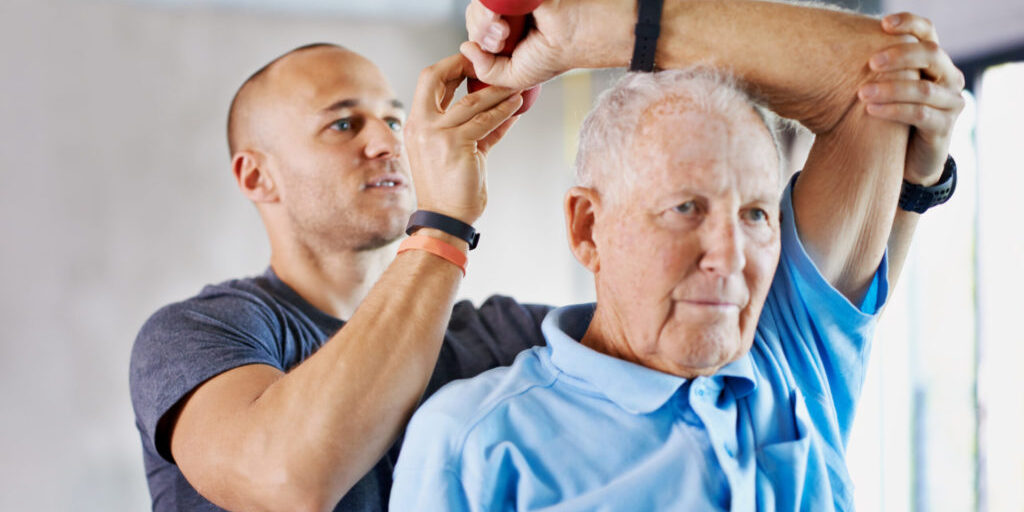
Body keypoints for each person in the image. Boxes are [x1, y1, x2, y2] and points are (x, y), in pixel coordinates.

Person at [130, 3, 961, 512]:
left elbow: (873, 78)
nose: (386, 139)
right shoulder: (203, 334)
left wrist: (591, 35)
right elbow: (290, 481)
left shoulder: (497, 346)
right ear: (255, 175)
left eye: (391, 115)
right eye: (344, 122)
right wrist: (444, 220)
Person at [387, 4, 964, 512]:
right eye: (687, 207)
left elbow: (884, 69)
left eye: (756, 214)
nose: (731, 257)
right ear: (589, 228)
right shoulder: (474, 441)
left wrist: (596, 30)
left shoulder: (790, 356)